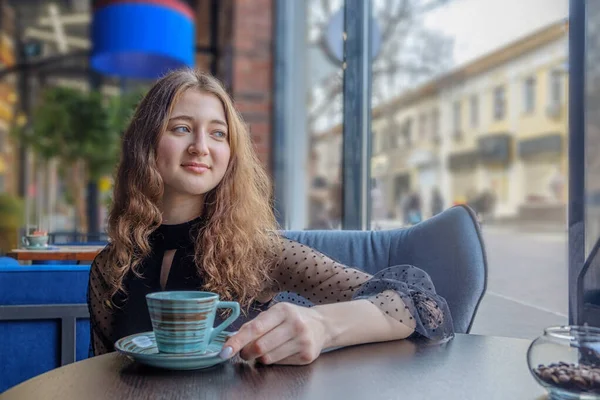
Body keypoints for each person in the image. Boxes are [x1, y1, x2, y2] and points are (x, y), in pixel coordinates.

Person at [87, 68, 453, 366]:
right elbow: (101, 374)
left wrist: (322, 326)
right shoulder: (110, 267)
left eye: (218, 133)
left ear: (231, 154)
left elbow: (420, 304)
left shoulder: (259, 253)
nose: (201, 146)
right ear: (145, 144)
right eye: (181, 128)